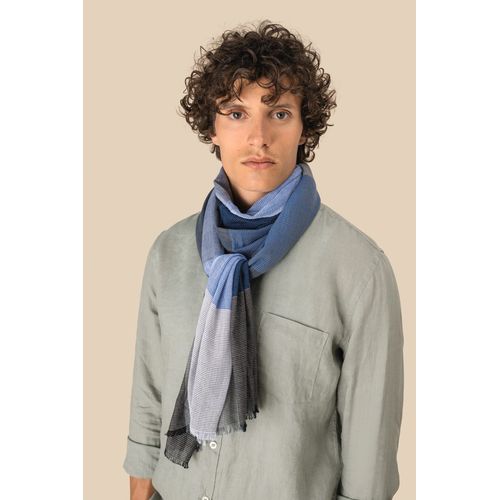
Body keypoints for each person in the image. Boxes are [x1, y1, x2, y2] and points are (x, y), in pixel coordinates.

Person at [123, 20, 405, 500]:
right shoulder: (169, 253)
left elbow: (369, 461)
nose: (258, 137)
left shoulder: (359, 269)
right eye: (236, 113)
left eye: (279, 113)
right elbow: (149, 401)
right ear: (211, 127)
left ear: (303, 126)